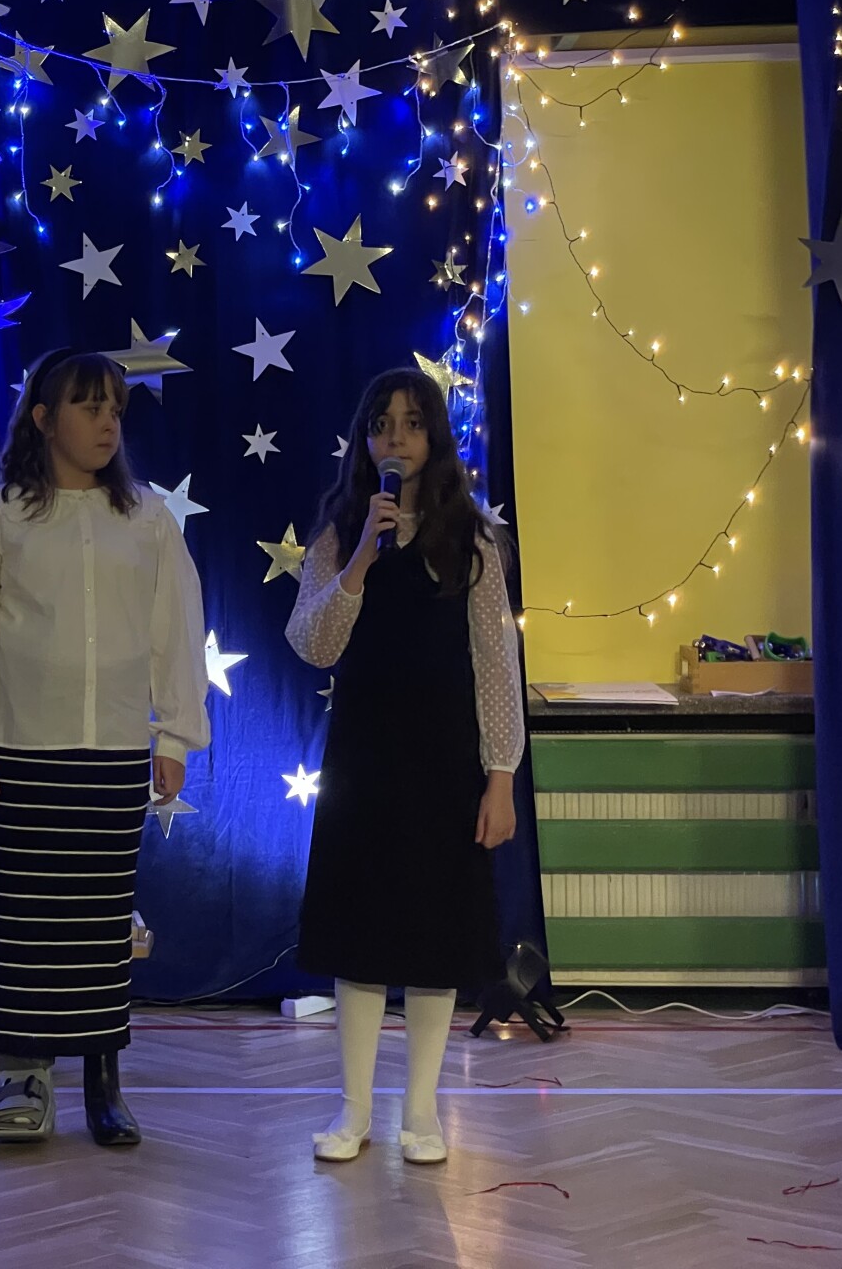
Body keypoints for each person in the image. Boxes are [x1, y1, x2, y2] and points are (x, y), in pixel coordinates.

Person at [0, 350, 210, 1147]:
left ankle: (102, 1082)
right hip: (22, 749)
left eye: (115, 408)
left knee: (99, 921)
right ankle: (22, 1074)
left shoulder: (146, 518)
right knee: (26, 919)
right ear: (45, 419)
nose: (107, 422)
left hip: (113, 749)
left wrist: (175, 732)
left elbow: (175, 628)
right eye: (89, 407)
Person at [286, 367, 525, 1165]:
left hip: (444, 763)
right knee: (362, 933)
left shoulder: (473, 538)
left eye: (413, 424)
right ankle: (353, 1109)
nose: (397, 438)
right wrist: (361, 556)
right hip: (365, 760)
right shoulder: (340, 532)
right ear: (365, 439)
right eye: (382, 424)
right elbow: (313, 642)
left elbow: (495, 666)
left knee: (434, 937)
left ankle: (420, 1111)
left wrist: (500, 775)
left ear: (435, 437)